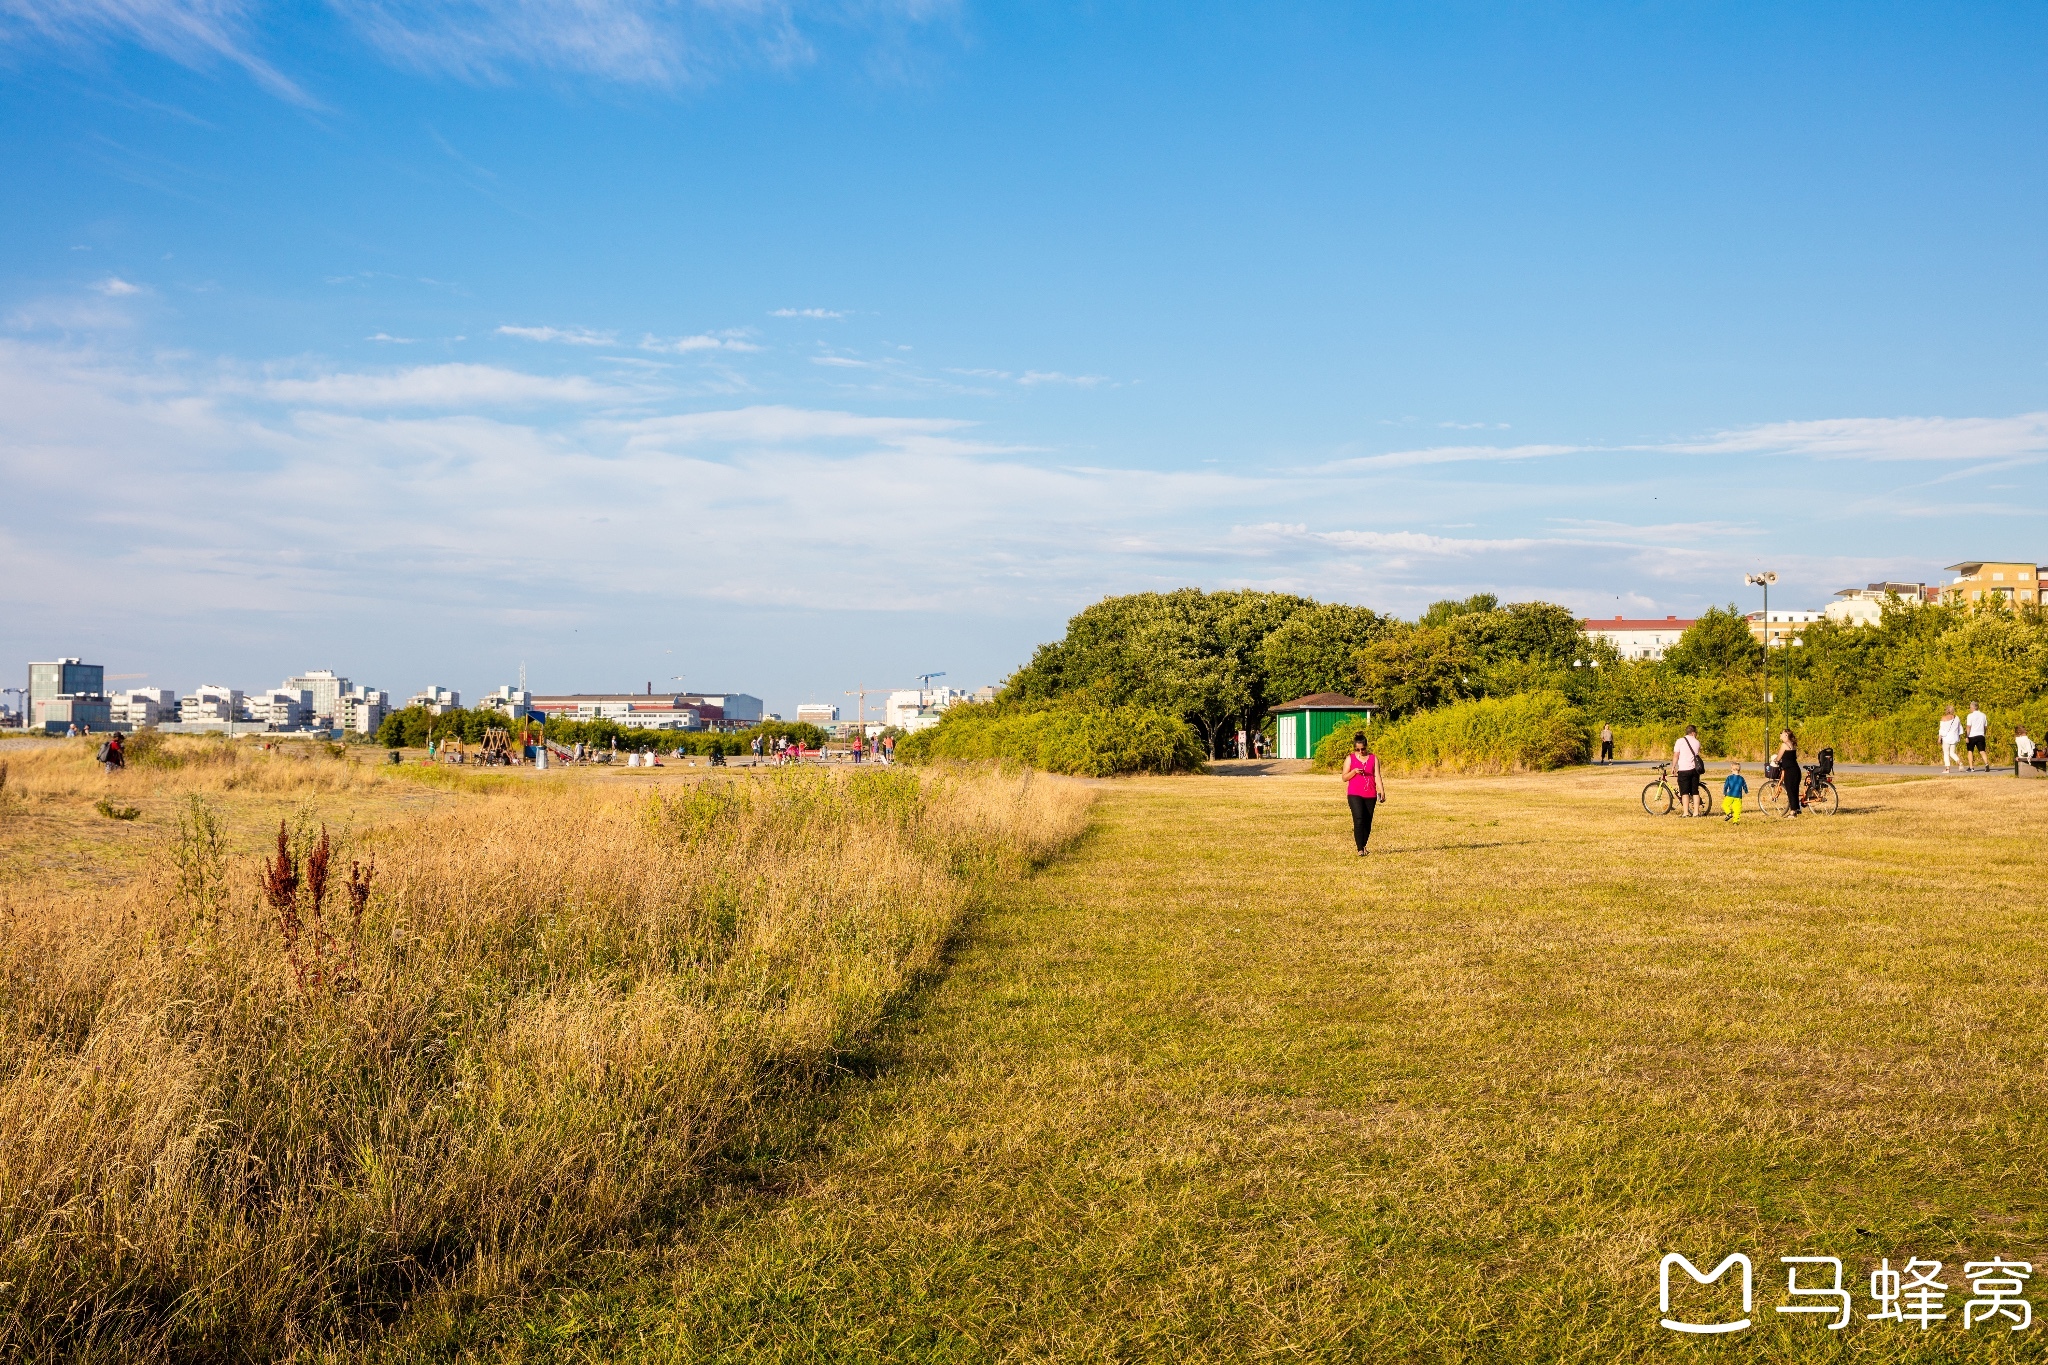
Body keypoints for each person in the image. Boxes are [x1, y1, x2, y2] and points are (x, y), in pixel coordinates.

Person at [1340, 731, 1386, 856]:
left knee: (1367, 821)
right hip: (1354, 793)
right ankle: (1360, 849)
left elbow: (1377, 775)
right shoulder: (1350, 759)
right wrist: (1354, 771)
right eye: (1358, 749)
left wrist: (1382, 791)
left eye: (1363, 749)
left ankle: (1363, 844)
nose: (1361, 752)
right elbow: (1344, 778)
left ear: (1366, 746)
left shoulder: (1373, 758)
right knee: (1359, 819)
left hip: (1370, 794)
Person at [1673, 725, 1706, 817]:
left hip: (1684, 769)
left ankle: (1686, 813)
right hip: (1695, 770)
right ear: (1693, 732)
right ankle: (1696, 812)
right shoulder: (1697, 742)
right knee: (1695, 792)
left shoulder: (1680, 741)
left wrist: (1673, 766)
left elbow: (1676, 755)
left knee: (1684, 792)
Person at [1776, 729, 1803, 816]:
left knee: (1790, 791)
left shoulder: (1784, 745)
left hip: (1789, 771)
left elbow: (1778, 757)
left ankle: (1793, 812)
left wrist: (1775, 761)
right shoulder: (1792, 744)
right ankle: (1797, 809)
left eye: (1782, 733)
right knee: (1795, 790)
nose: (1781, 734)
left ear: (1786, 735)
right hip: (1796, 770)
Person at [1965, 700, 1989, 772]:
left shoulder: (1970, 716)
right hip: (1981, 735)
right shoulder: (1983, 715)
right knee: (1982, 751)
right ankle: (1986, 764)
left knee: (1970, 751)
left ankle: (1971, 767)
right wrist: (1983, 733)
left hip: (1972, 735)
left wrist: (1966, 736)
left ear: (1972, 708)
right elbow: (1985, 727)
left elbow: (1968, 727)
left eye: (1970, 707)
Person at [1939, 706, 1962, 772]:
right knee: (1952, 752)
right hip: (1954, 737)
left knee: (1946, 753)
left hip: (1946, 737)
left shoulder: (1943, 718)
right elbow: (1959, 728)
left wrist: (1939, 738)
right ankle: (1959, 762)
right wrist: (1959, 737)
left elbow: (1941, 729)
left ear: (1946, 710)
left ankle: (1947, 769)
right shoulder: (1957, 718)